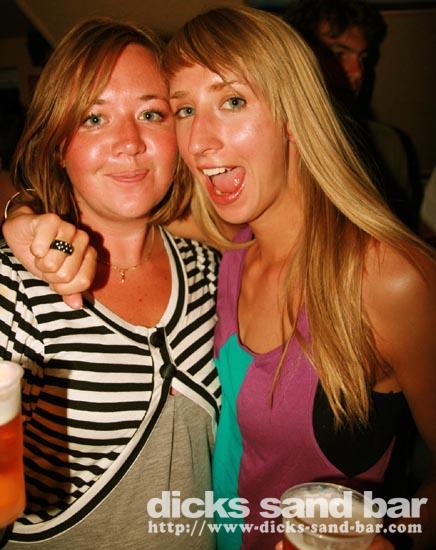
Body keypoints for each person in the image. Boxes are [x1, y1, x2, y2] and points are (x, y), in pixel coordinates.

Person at [4, 5, 436, 550]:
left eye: (231, 101)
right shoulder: (220, 252)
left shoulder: (387, 278)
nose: (199, 141)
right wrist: (22, 217)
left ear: (295, 112)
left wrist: (391, 537)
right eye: (184, 110)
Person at [0, 17, 220, 549]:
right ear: (59, 144)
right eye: (95, 118)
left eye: (151, 114)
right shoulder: (14, 287)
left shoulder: (211, 270)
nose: (129, 143)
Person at [284, 0, 420, 228]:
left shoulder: (388, 145)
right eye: (338, 54)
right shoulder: (270, 142)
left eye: (363, 58)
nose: (357, 73)